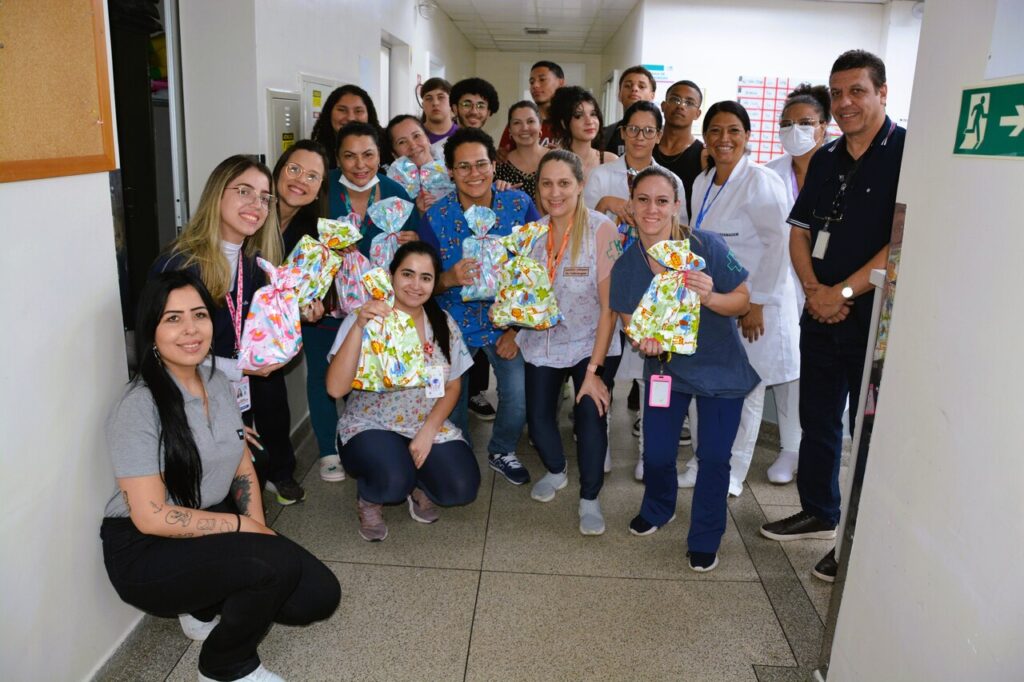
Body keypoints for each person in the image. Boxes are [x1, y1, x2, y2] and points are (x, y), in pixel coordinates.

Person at [100, 270, 340, 682]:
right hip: (144, 549)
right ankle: (224, 667)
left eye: (199, 315)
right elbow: (151, 516)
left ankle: (202, 604)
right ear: (151, 330)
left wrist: (258, 531)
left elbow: (242, 463)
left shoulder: (215, 379)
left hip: (204, 524)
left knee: (318, 596)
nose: (190, 329)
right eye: (173, 319)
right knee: (275, 566)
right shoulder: (138, 406)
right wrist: (243, 528)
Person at [758, 50, 905, 584]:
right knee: (818, 419)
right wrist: (815, 291)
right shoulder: (825, 158)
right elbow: (800, 232)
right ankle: (819, 510)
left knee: (868, 432)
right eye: (837, 93)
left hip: (874, 317)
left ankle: (857, 540)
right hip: (819, 311)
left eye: (857, 91)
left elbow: (900, 243)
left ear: (881, 93)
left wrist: (840, 290)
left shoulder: (907, 154)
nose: (845, 103)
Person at [610, 166, 759, 572]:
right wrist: (643, 341)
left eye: (662, 201)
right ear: (631, 205)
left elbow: (743, 300)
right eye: (643, 200)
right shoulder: (626, 267)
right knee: (657, 454)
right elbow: (630, 324)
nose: (652, 209)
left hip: (720, 370)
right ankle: (659, 507)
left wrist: (710, 297)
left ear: (677, 205)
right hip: (666, 371)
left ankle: (706, 536)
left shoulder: (706, 247)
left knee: (714, 457)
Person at [152, 155, 307, 506]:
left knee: (254, 471)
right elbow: (166, 352)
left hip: (232, 394)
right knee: (218, 492)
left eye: (264, 197)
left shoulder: (253, 264)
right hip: (190, 398)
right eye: (244, 191)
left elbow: (255, 330)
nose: (256, 204)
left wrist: (292, 315)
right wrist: (241, 369)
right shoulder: (179, 265)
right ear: (217, 194)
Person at [677, 101, 796, 499]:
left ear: (747, 137)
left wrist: (755, 303)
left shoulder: (762, 182)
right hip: (712, 301)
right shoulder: (702, 181)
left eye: (733, 131)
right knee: (703, 384)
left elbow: (779, 244)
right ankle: (701, 461)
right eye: (715, 130)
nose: (723, 138)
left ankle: (731, 471)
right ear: (705, 137)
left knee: (745, 390)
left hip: (753, 304)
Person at [325, 242, 480, 541]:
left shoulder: (443, 323)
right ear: (391, 275)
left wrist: (428, 431)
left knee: (462, 487)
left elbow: (453, 385)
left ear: (434, 283)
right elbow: (335, 388)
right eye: (407, 274)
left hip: (423, 422)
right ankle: (371, 497)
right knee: (393, 479)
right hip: (371, 423)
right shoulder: (365, 318)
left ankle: (417, 483)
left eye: (426, 277)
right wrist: (358, 327)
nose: (415, 285)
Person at [418, 127, 542, 485]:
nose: (474, 173)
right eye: (463, 166)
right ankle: (457, 450)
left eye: (481, 164)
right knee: (450, 397)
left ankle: (502, 449)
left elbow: (537, 271)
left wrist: (516, 330)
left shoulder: (518, 206)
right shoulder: (436, 217)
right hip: (452, 320)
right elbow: (422, 284)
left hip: (507, 321)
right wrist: (448, 278)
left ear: (494, 166)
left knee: (517, 393)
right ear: (450, 172)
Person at [510, 150, 622, 534]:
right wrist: (509, 322)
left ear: (580, 185)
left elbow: (610, 309)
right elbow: (522, 296)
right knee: (539, 420)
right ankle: (557, 471)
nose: (554, 193)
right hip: (544, 341)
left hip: (593, 340)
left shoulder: (603, 231)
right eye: (546, 184)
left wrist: (594, 372)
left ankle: (590, 497)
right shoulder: (532, 235)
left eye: (563, 183)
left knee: (590, 415)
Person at [585, 100, 688, 478]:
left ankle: (648, 451)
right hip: (608, 282)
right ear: (622, 132)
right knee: (607, 366)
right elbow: (582, 226)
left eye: (648, 131)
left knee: (651, 371)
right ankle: (601, 445)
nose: (640, 137)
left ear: (659, 135)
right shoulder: (601, 175)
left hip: (653, 285)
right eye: (633, 129)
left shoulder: (670, 179)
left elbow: (679, 231)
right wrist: (607, 204)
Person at [762, 83, 832, 484]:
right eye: (786, 123)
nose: (795, 131)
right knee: (789, 366)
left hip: (829, 285)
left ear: (824, 126)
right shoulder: (769, 173)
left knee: (818, 372)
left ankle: (812, 449)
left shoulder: (838, 170)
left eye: (805, 123)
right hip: (783, 284)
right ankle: (790, 448)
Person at [273, 140, 348, 484]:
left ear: (320, 188)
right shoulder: (253, 215)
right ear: (279, 170)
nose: (300, 180)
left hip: (266, 337)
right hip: (232, 329)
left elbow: (299, 296)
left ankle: (276, 474)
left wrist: (304, 311)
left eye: (312, 176)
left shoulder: (312, 234)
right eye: (294, 169)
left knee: (271, 405)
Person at [328, 121, 419, 257]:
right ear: (338, 159)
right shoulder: (322, 188)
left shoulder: (396, 194)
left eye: (368, 155)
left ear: (379, 156)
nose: (360, 165)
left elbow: (416, 247)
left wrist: (415, 243)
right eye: (349, 156)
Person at [549, 85, 618, 182]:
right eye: (578, 116)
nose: (589, 121)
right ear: (564, 123)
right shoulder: (552, 161)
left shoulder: (611, 161)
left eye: (593, 114)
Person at [655, 79, 706, 210]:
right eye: (675, 99)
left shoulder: (703, 155)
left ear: (698, 114)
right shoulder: (647, 144)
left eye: (689, 103)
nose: (681, 106)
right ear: (663, 106)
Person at [498, 60, 564, 155]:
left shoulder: (571, 122)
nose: (535, 85)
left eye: (542, 79)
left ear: (561, 83)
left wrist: (566, 156)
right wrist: (501, 155)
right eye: (532, 82)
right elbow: (503, 154)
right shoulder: (518, 122)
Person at [311, 85, 381, 170]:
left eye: (358, 111)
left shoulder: (388, 147)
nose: (350, 118)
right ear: (329, 113)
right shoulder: (314, 155)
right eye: (342, 110)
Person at [495, 101, 547, 200]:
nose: (524, 128)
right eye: (517, 123)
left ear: (540, 125)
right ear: (509, 130)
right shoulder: (499, 166)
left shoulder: (557, 160)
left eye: (530, 121)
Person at [602, 66, 657, 157]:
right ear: (619, 95)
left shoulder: (663, 136)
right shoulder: (605, 134)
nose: (634, 89)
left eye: (641, 86)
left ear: (652, 96)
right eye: (628, 86)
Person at [420, 77, 456, 148]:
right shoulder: (415, 138)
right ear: (423, 105)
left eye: (441, 97)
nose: (435, 103)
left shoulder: (464, 136)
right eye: (429, 98)